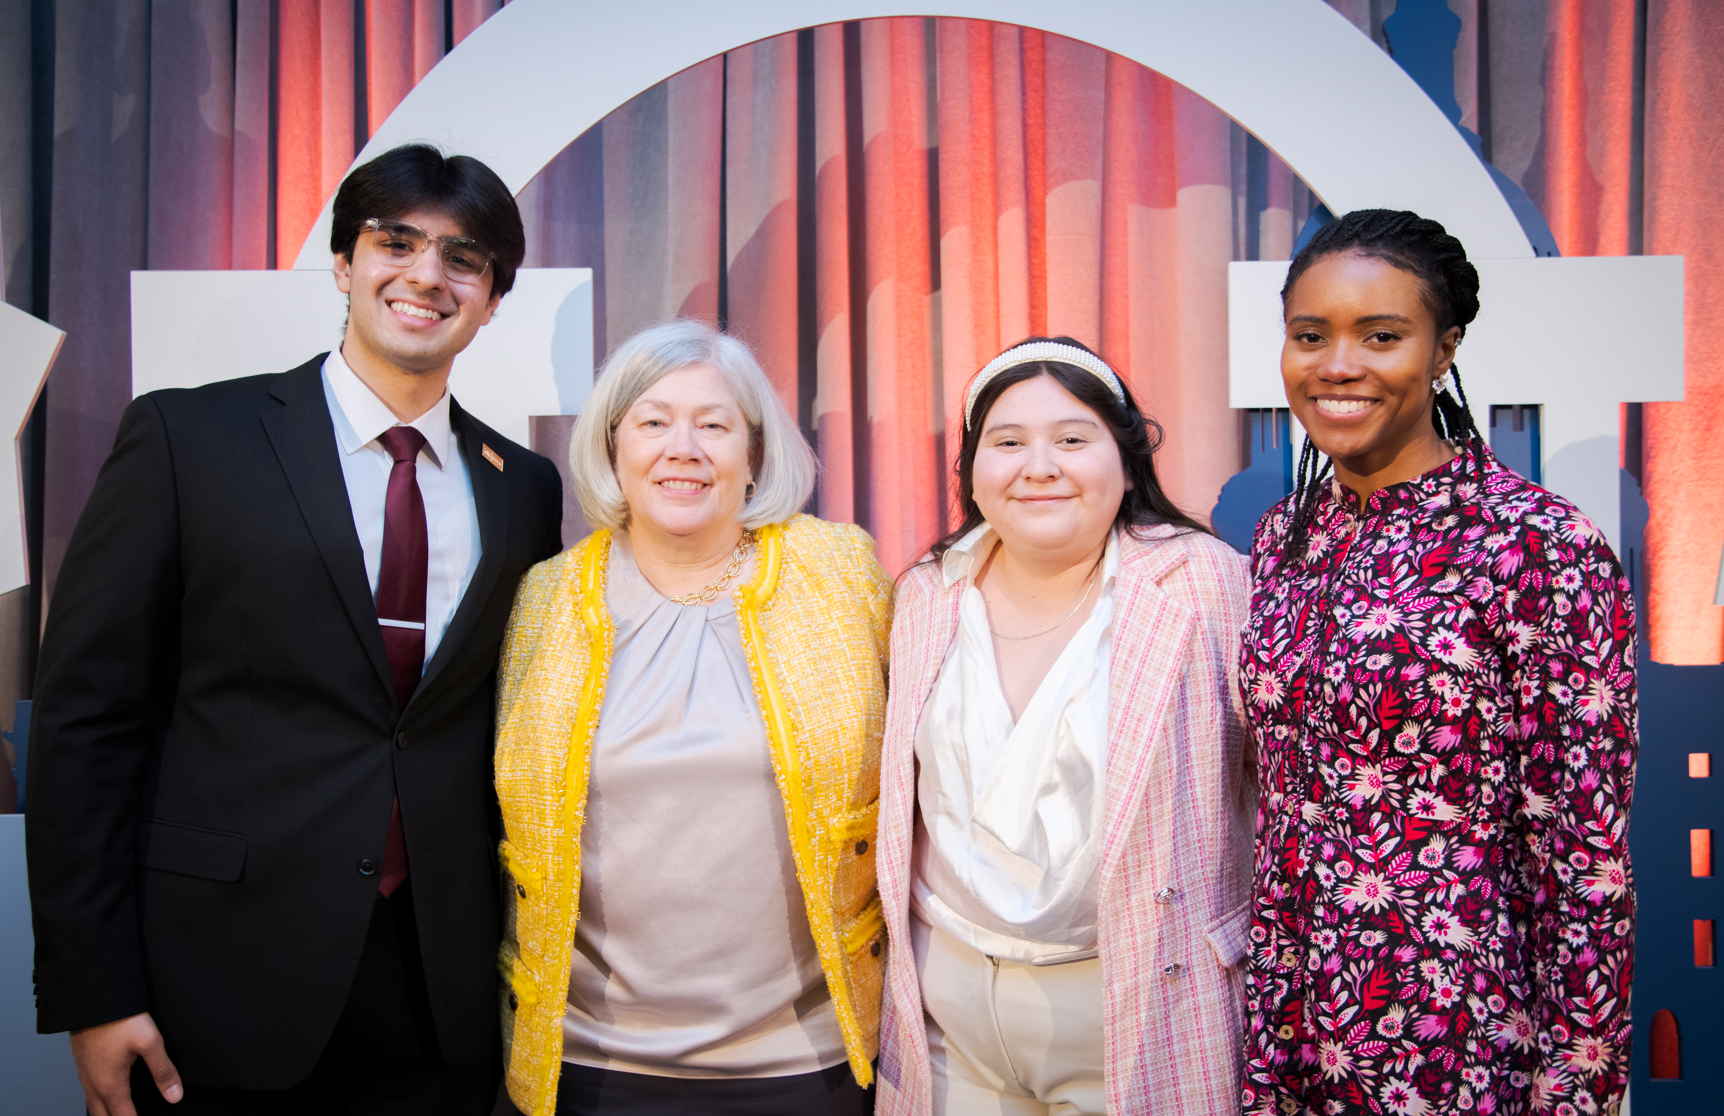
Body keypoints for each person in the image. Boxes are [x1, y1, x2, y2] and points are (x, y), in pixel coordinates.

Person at [26, 144, 563, 1115]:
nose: (425, 276)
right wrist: (93, 989)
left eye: (462, 258)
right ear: (343, 263)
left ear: (490, 300)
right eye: (395, 242)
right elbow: (84, 723)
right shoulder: (190, 441)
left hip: (439, 994)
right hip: (215, 978)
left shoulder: (521, 486)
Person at [1238, 210, 1637, 1116]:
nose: (1338, 365)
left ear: (1445, 347)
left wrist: (1577, 1086)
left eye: (1381, 336)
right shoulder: (1283, 540)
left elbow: (1582, 857)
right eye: (1311, 336)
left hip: (1452, 1035)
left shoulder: (1535, 543)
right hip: (1288, 1018)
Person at [491, 319, 892, 1116]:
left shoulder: (840, 572)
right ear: (613, 448)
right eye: (652, 422)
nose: (683, 447)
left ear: (754, 450)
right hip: (586, 1064)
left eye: (713, 424)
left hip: (806, 1061)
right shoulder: (546, 597)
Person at [873, 338, 1255, 1116]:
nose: (1038, 466)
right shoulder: (925, 593)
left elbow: (1276, 783)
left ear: (1125, 456)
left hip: (1135, 1006)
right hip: (950, 1021)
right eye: (1007, 442)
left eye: (1072, 440)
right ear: (973, 470)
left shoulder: (1202, 581)